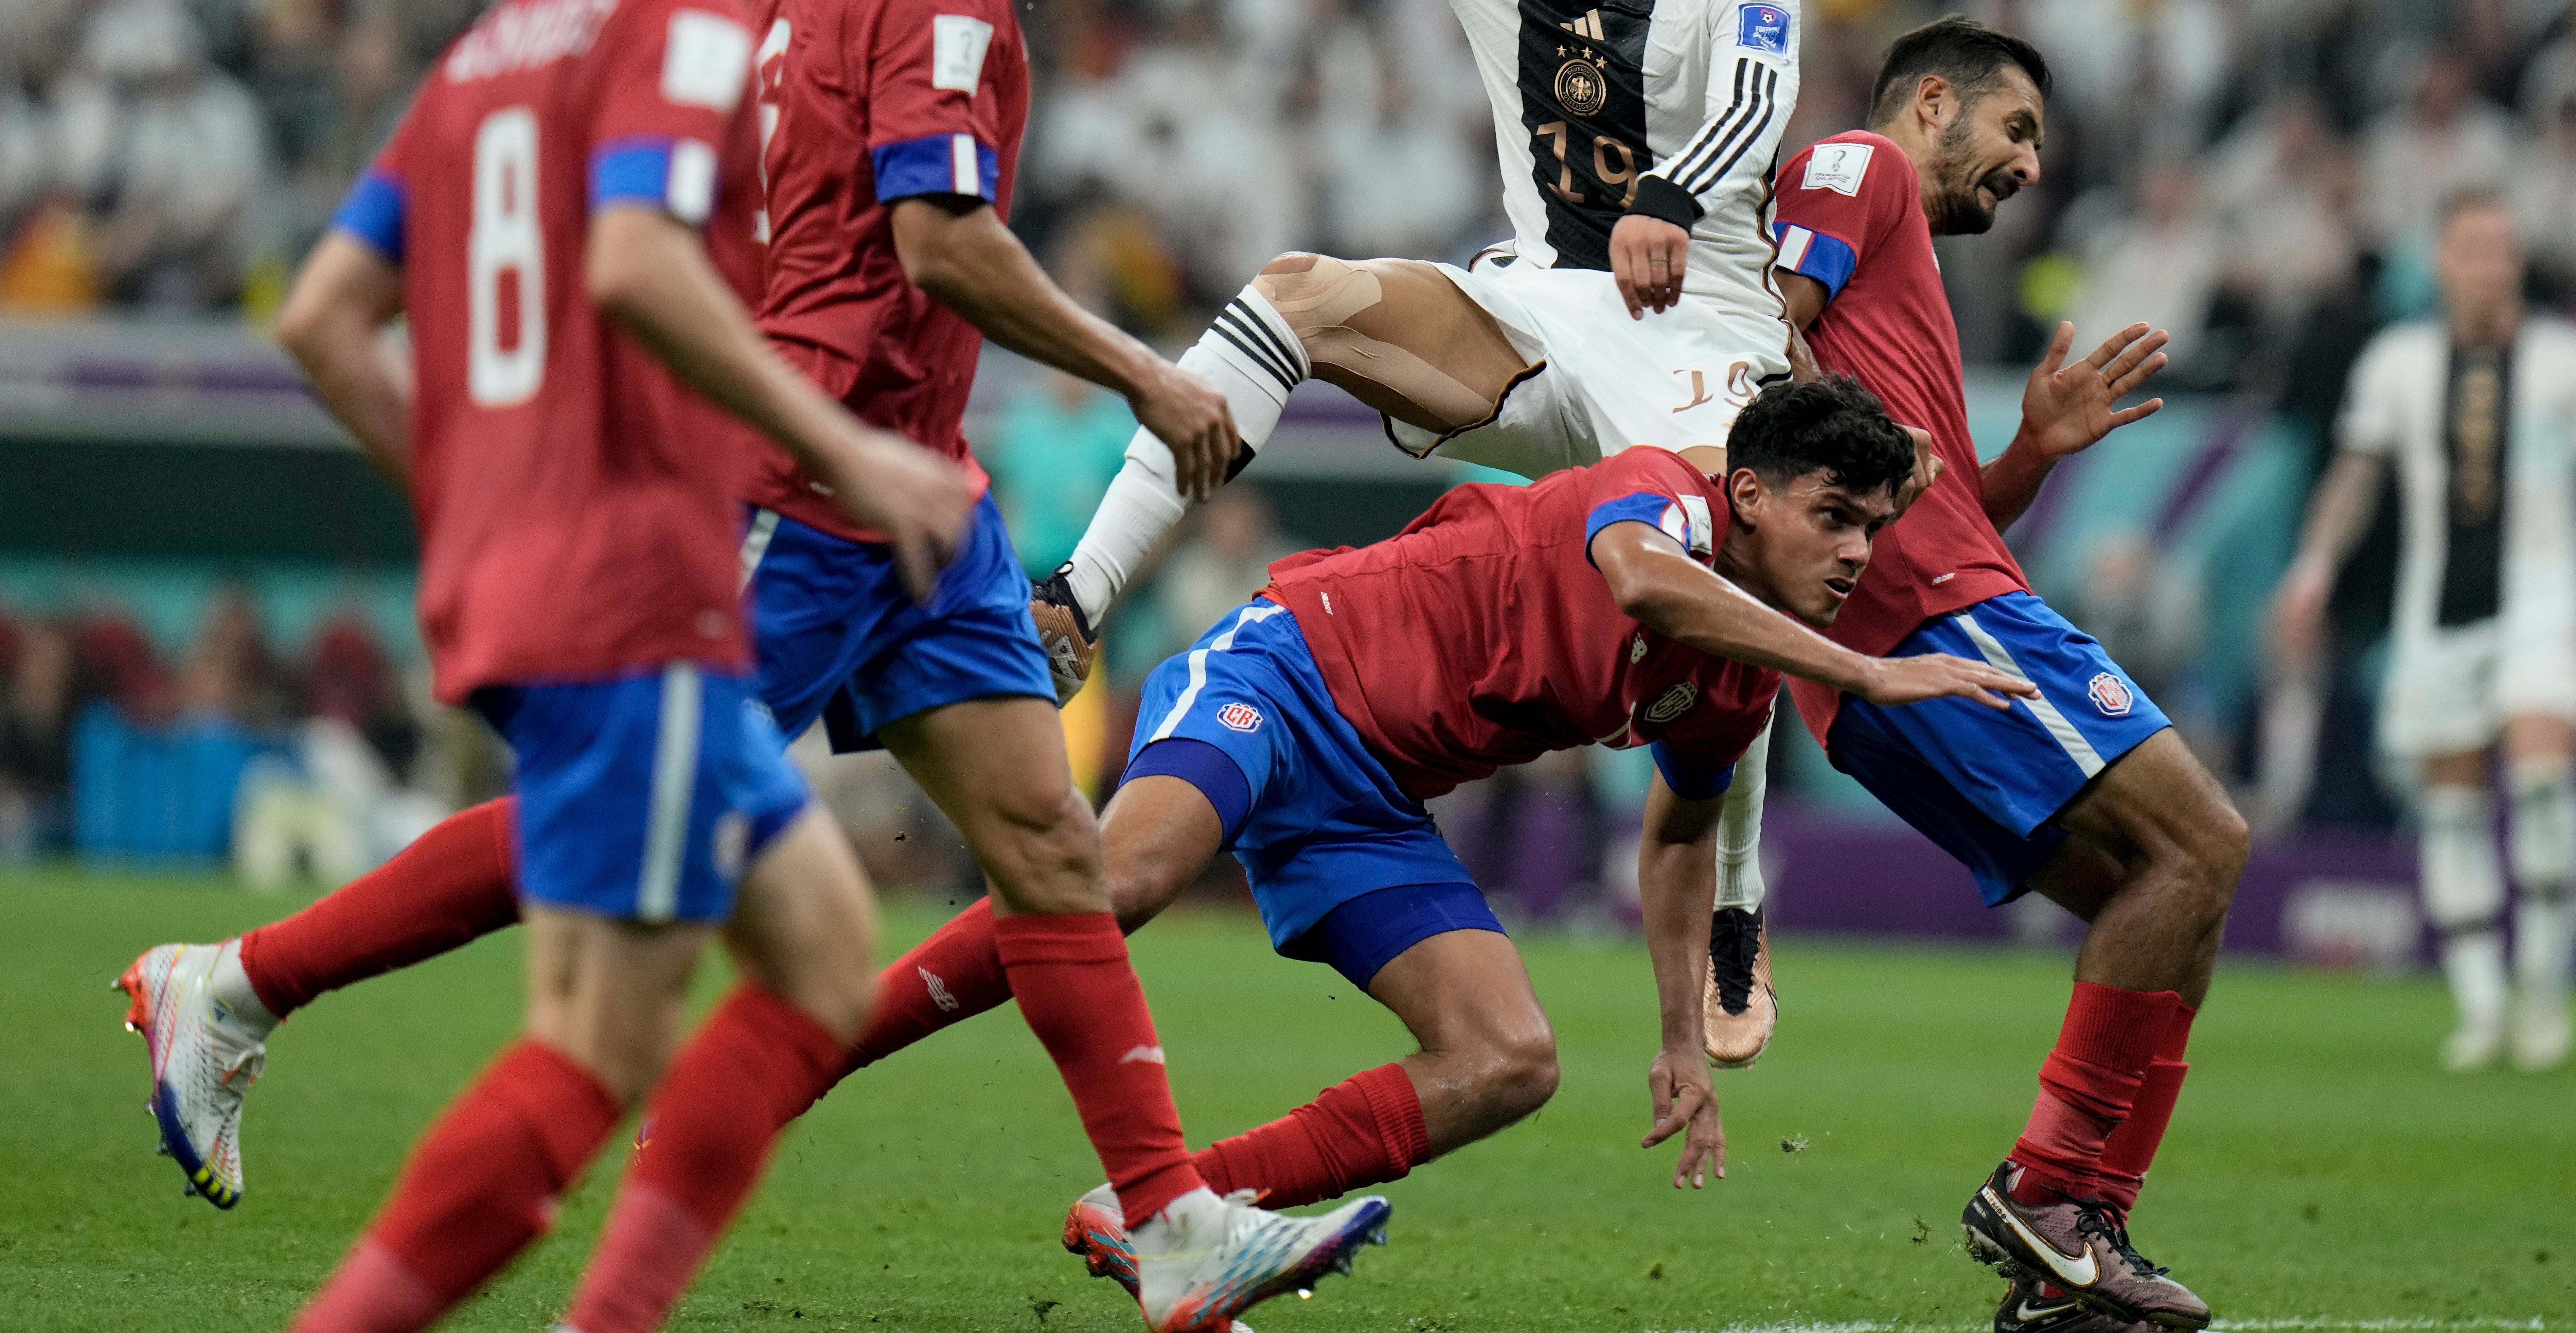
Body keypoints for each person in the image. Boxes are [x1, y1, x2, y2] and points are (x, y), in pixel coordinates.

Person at [118, 0, 1388, 1333]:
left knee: (1043, 848)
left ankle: (1167, 1220)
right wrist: (1148, 375)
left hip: (910, 486)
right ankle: (246, 982)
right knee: (628, 846)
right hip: (814, 475)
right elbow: (938, 241)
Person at [118, 0, 972, 1332]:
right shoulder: (678, 21)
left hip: (538, 582)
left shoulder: (498, 41)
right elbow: (639, 262)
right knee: (604, 1043)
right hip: (634, 583)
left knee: (810, 940)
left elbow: (320, 320)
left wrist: (478, 504)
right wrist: (852, 452)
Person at [1025, 0, 1803, 1065]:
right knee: (1297, 295)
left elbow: (1753, 105)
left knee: (1723, 557)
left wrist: (1668, 199)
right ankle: (1078, 591)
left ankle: (1736, 905)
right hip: (1537, 316)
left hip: (1702, 335)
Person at [866, 378, 2029, 1319]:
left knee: (1509, 1055)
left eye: (1872, 529)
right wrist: (1870, 669)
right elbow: (1639, 577)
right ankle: (783, 1066)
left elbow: (1678, 837)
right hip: (1286, 675)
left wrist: (1681, 1039)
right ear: (1748, 495)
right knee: (1117, 882)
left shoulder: (1738, 678)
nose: (1854, 553)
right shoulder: (1659, 496)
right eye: (1832, 516)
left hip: (1372, 800)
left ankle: (1170, 1212)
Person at [1768, 17, 2250, 1333]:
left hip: (1906, 634)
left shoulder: (1898, 265)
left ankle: (2075, 1251)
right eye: (2016, 130)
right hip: (1933, 621)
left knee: (2161, 899)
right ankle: (2048, 1192)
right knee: (2203, 840)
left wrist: (2027, 452)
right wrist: (1861, 451)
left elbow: (1935, 505)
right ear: (1932, 103)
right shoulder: (1855, 163)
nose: (2029, 166)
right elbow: (1761, 335)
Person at [2272, 190, 2576, 1073]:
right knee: (2450, 804)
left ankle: (2539, 993)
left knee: (2539, 777)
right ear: (2441, 259)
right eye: (2472, 246)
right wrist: (2314, 564)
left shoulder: (2560, 358)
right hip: (2435, 606)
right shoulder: (2399, 361)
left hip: (2544, 598)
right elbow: (2355, 476)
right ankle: (2480, 1008)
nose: (2489, 262)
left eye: (2501, 246)